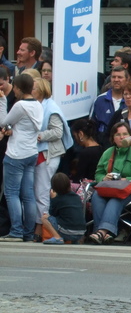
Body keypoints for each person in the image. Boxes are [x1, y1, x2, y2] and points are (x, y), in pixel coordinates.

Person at [87, 122, 131, 244]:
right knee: (97, 195)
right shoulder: (108, 153)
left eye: (125, 134)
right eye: (118, 135)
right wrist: (104, 178)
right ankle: (104, 234)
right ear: (113, 138)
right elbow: (98, 174)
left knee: (115, 199)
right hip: (110, 188)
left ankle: (101, 232)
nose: (122, 137)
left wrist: (125, 180)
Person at [0, 74, 43, 242]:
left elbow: (3, 122)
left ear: (18, 88)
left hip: (16, 153)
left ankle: (16, 231)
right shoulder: (38, 105)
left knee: (11, 193)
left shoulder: (20, 105)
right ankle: (28, 232)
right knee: (28, 195)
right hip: (31, 151)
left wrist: (3, 102)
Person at [32, 77, 73, 239]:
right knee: (38, 192)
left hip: (48, 154)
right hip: (39, 153)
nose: (31, 91)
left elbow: (57, 132)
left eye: (34, 88)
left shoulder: (51, 108)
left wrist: (38, 136)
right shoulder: (37, 106)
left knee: (42, 192)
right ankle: (39, 225)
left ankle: (42, 228)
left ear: (41, 90)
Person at [40, 172, 85, 245]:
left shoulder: (58, 198)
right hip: (81, 232)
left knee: (44, 218)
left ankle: (57, 237)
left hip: (68, 232)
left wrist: (53, 199)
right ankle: (75, 240)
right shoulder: (76, 197)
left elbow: (52, 213)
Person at [90, 66, 128, 146]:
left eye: (120, 77)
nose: (116, 80)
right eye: (113, 77)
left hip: (126, 144)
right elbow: (92, 125)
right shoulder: (100, 100)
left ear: (127, 80)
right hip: (104, 145)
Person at [70, 119, 105, 184]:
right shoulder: (102, 148)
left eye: (75, 136)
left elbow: (79, 177)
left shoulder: (85, 153)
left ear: (80, 134)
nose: (75, 140)